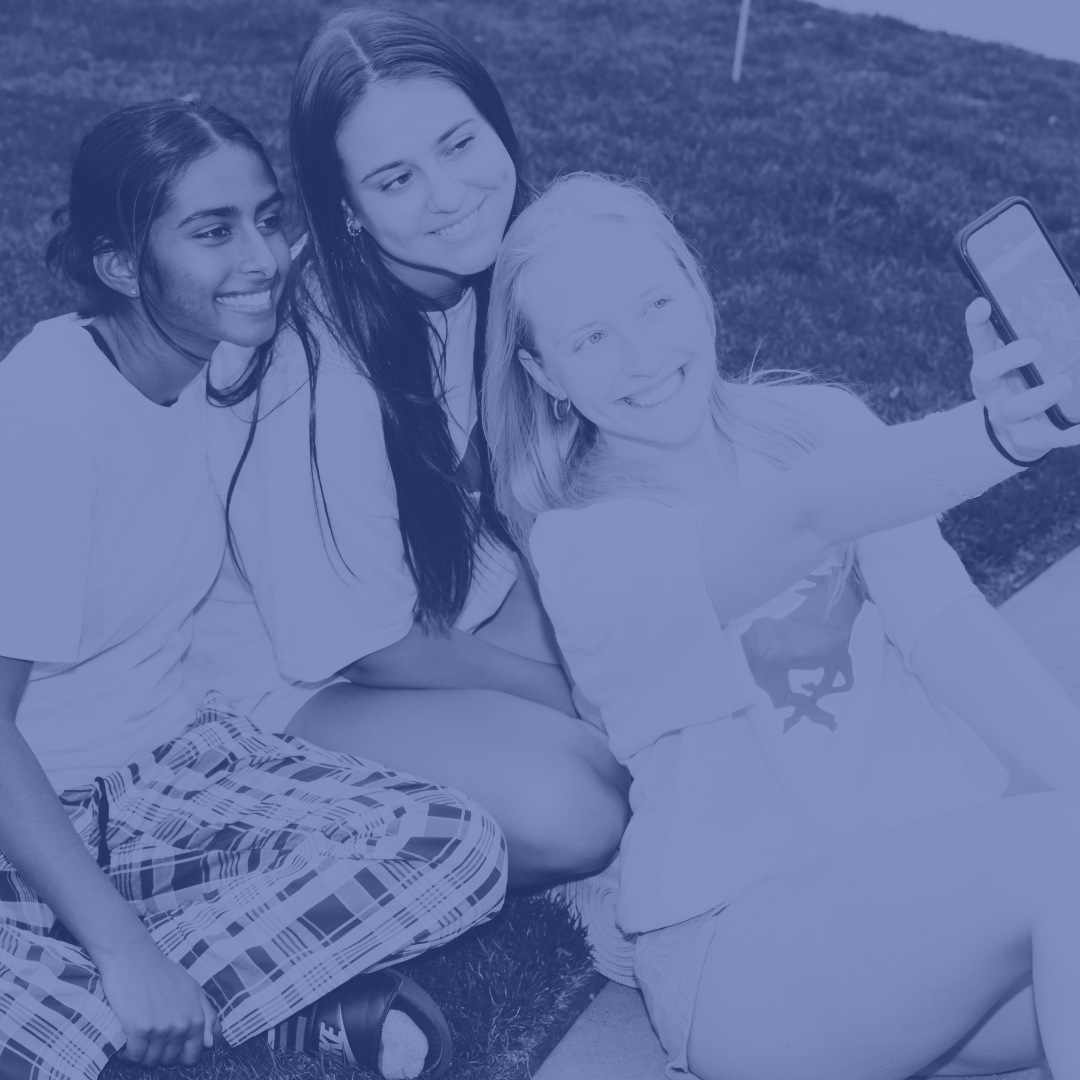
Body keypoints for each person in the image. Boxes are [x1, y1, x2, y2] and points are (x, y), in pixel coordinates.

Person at [482, 172, 1080, 1080]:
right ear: (544, 376)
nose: (642, 356)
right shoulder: (584, 546)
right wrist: (994, 435)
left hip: (922, 921)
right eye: (591, 338)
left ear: (695, 282)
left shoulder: (817, 421)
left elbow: (945, 626)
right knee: (1056, 850)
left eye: (655, 301)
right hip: (744, 956)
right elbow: (805, 518)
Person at [0, 99, 504, 1080]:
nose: (265, 257)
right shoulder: (48, 416)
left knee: (458, 847)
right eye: (213, 231)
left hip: (166, 772)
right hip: (28, 816)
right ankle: (205, 1006)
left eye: (270, 219)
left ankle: (128, 1019)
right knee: (70, 1030)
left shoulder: (212, 362)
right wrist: (121, 944)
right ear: (117, 267)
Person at [187, 8, 629, 889]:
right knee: (579, 803)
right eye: (396, 179)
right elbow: (373, 649)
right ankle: (281, 869)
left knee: (677, 636)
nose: (450, 194)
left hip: (450, 603)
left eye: (459, 144)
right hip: (295, 686)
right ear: (347, 208)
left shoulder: (503, 270)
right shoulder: (317, 368)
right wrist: (588, 699)